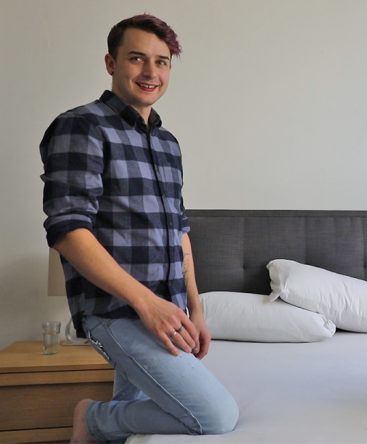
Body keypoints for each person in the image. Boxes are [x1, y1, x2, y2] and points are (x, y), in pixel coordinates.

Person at [40, 14, 238, 443]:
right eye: (137, 58)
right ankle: (93, 418)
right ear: (111, 63)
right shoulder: (82, 126)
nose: (151, 72)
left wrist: (195, 309)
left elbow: (179, 231)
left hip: (168, 311)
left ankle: (101, 431)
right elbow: (68, 230)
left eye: (162, 62)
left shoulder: (167, 144)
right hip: (116, 310)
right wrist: (148, 304)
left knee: (134, 420)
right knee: (216, 415)